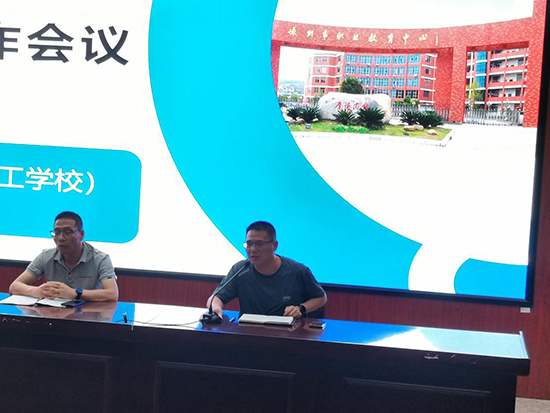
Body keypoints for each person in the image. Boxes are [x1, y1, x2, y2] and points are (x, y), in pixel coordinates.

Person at [207, 221, 327, 319]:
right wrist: (215, 308)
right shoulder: (241, 269)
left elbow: (321, 298)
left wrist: (300, 308)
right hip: (249, 333)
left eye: (259, 244)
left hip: (288, 333)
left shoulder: (297, 271)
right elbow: (215, 298)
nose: (253, 249)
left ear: (274, 245)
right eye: (249, 244)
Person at [9, 211, 119, 302]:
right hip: (54, 314)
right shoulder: (46, 256)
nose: (61, 238)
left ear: (81, 235)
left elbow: (112, 294)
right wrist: (36, 291)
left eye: (67, 232)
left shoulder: (100, 259)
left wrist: (74, 293)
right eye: (57, 232)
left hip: (89, 316)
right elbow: (14, 286)